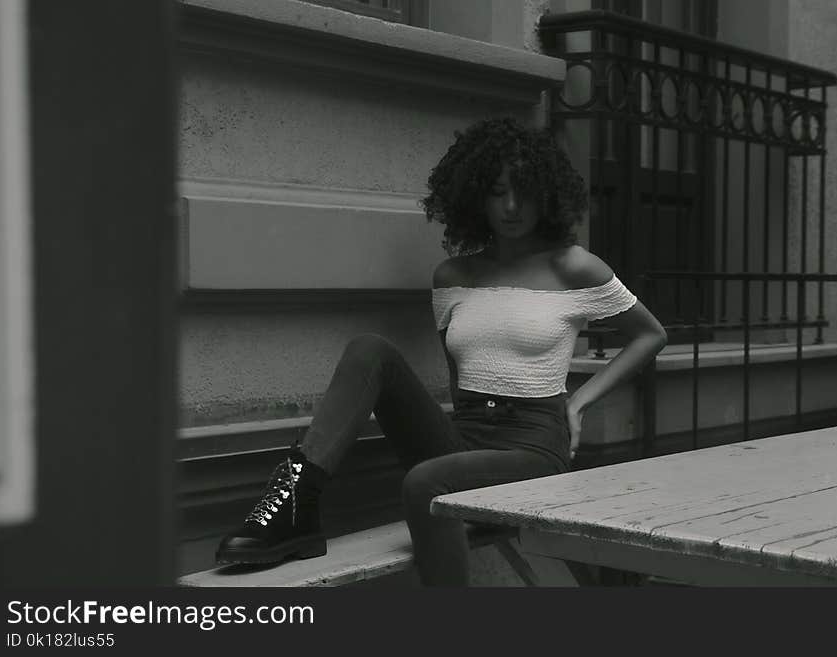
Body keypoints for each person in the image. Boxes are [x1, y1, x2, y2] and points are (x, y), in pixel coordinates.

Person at [215, 116, 668, 586]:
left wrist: (578, 402)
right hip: (464, 442)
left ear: (547, 194)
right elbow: (460, 379)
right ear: (475, 195)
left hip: (532, 448)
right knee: (371, 350)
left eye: (525, 191)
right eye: (497, 191)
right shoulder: (452, 278)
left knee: (425, 482)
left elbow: (650, 335)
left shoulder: (573, 268)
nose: (512, 206)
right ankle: (295, 501)